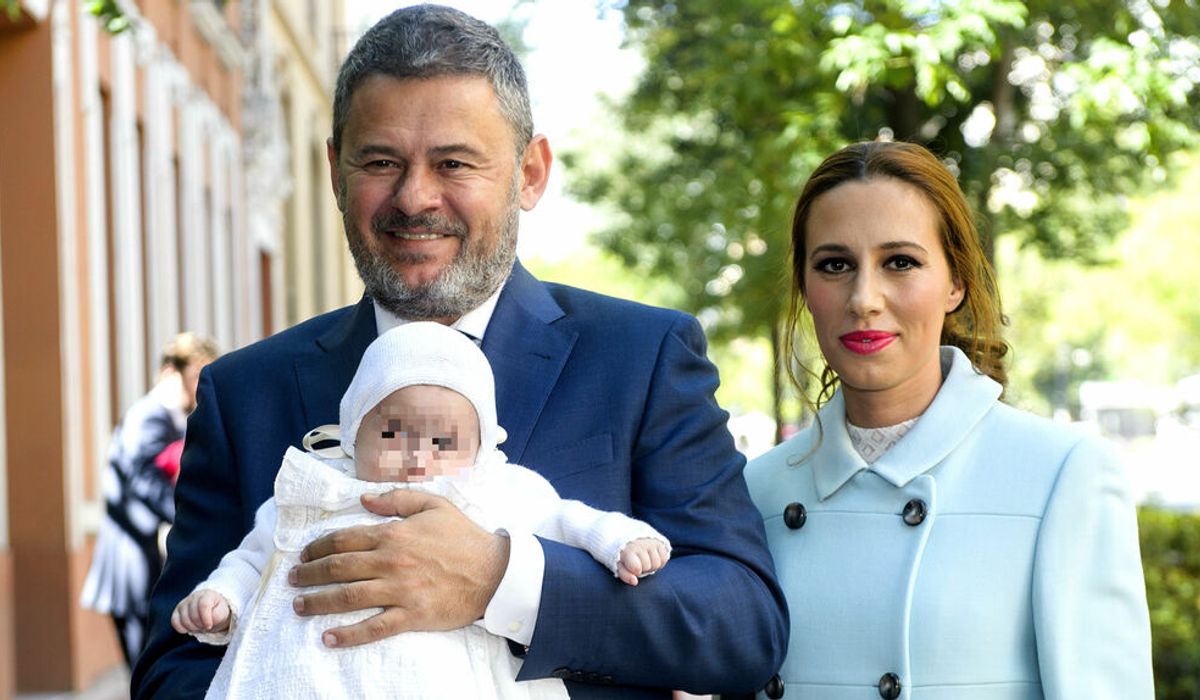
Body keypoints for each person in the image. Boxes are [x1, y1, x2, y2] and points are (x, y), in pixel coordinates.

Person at [132, 5, 787, 698]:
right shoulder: (244, 395)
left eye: (453, 163)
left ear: (529, 173)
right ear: (335, 173)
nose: (415, 198)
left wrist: (500, 581)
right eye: (380, 162)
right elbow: (174, 670)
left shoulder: (642, 358)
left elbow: (740, 623)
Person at [744, 140, 1153, 698]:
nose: (864, 298)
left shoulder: (1063, 475)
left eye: (900, 262)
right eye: (835, 265)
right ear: (805, 288)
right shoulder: (757, 488)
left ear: (955, 282)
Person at [172, 322, 670, 699]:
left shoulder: (493, 488)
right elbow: (257, 557)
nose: (417, 457)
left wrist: (619, 540)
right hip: (314, 676)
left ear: (480, 446)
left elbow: (565, 518)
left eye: (443, 442)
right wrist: (222, 597)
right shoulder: (317, 490)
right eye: (393, 433)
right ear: (354, 431)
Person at [80, 332, 219, 667]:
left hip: (146, 558)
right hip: (132, 563)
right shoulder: (148, 416)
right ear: (171, 372)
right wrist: (192, 515)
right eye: (196, 376)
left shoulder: (170, 418)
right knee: (145, 667)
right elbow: (144, 482)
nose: (199, 388)